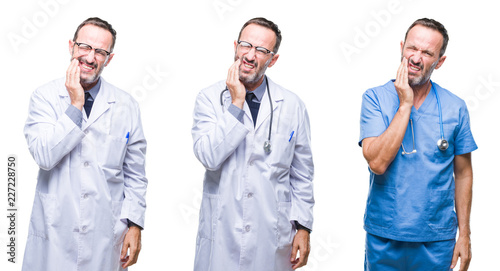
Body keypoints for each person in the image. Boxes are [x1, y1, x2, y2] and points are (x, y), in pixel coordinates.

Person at [22, 17, 147, 271]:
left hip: (105, 234)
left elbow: (135, 174)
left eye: (100, 51)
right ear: (71, 46)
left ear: (109, 58)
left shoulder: (126, 105)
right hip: (54, 232)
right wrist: (76, 105)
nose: (90, 57)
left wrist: (135, 225)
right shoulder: (44, 97)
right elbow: (45, 155)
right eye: (84, 47)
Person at [191, 17, 314, 271]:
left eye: (261, 50)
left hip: (272, 235)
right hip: (222, 231)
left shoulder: (292, 105)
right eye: (246, 45)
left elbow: (302, 175)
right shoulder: (209, 99)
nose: (250, 55)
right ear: (235, 46)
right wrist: (236, 103)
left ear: (273, 59)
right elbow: (208, 157)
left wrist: (303, 227)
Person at [359, 18, 477, 271]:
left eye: (427, 53)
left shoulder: (455, 107)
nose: (416, 57)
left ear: (439, 61)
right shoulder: (375, 99)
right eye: (412, 48)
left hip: (437, 239)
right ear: (402, 47)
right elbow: (377, 164)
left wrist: (464, 235)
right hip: (385, 235)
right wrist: (405, 104)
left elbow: (464, 173)